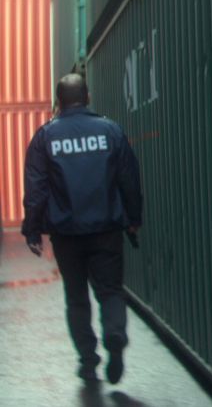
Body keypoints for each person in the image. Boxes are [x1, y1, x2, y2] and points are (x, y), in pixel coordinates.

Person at [22, 73, 143, 385]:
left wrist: (32, 229)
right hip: (106, 230)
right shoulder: (110, 130)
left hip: (67, 235)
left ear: (58, 101)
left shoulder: (45, 137)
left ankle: (88, 361)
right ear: (87, 97)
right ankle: (114, 334)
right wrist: (133, 218)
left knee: (76, 298)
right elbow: (129, 178)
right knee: (110, 291)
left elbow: (36, 189)